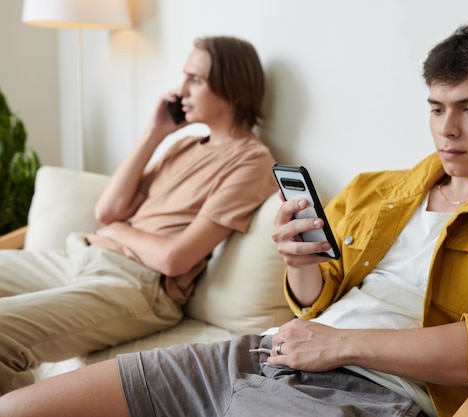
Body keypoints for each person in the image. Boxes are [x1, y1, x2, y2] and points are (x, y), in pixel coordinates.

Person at [0, 21, 468, 417]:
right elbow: (312, 304)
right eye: (436, 107)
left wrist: (338, 343)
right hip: (266, 354)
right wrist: (299, 266)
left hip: (368, 394)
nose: (446, 129)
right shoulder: (381, 191)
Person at [0, 36, 278, 395]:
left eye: (195, 80)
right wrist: (155, 132)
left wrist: (117, 231)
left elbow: (175, 258)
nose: (180, 91)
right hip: (83, 256)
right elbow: (107, 210)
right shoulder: (183, 144)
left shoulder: (251, 161)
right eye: (184, 78)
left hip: (136, 286)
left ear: (234, 91)